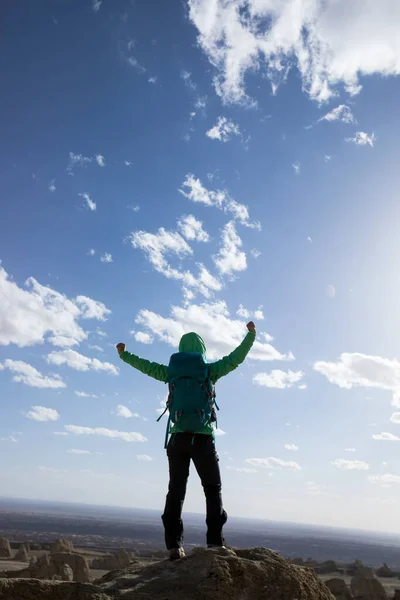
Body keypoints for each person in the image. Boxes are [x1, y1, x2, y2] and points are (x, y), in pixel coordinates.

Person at [116, 321, 256, 560]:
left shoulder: (171, 372)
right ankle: (214, 542)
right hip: (202, 439)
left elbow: (145, 366)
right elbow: (235, 358)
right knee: (212, 490)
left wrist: (123, 354)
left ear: (181, 350)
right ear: (201, 350)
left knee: (176, 491)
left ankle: (174, 545)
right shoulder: (209, 371)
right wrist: (250, 336)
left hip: (177, 439)